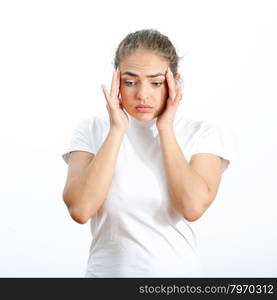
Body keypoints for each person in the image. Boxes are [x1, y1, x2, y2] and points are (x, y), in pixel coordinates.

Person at [61, 29, 230, 277]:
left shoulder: (201, 133)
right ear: (116, 80)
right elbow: (80, 209)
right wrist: (117, 129)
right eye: (130, 82)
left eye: (156, 82)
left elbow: (192, 207)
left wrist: (165, 129)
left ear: (174, 81)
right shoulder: (92, 130)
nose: (143, 94)